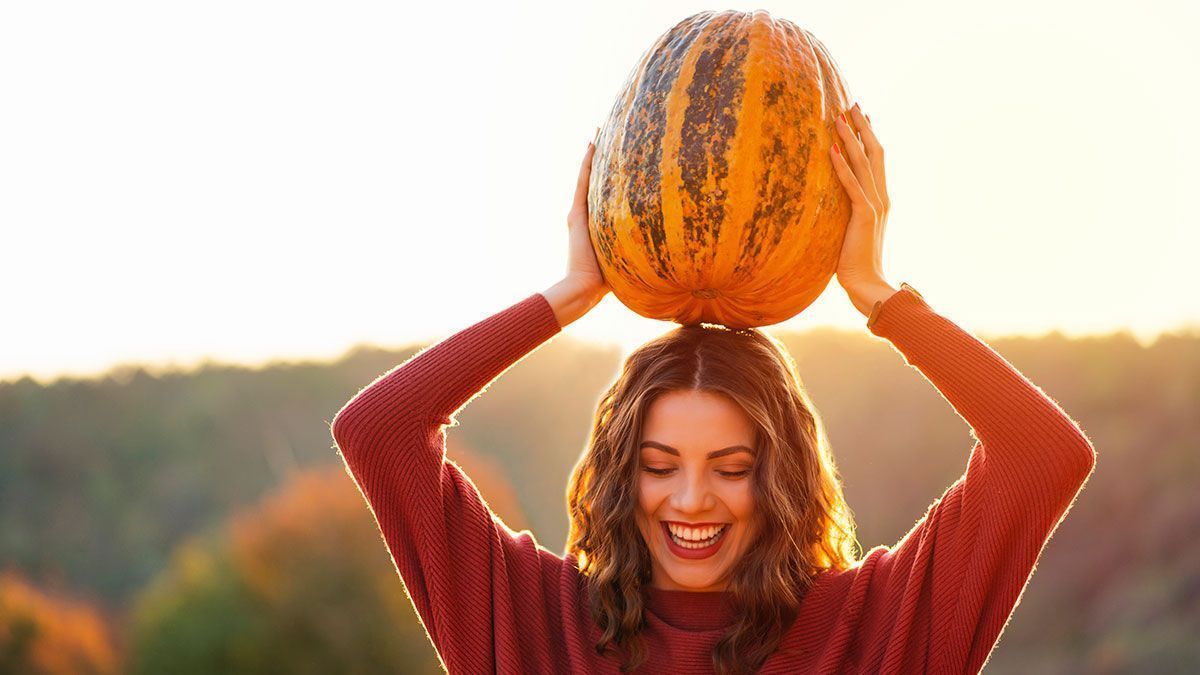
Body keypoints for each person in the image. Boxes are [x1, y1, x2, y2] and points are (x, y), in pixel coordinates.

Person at [330, 104, 1096, 674]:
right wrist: (569, 293)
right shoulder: (534, 620)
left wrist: (878, 296)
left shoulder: (876, 627)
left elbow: (1045, 455)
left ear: (783, 478)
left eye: (732, 468)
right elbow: (378, 431)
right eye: (659, 466)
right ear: (619, 475)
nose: (691, 499)